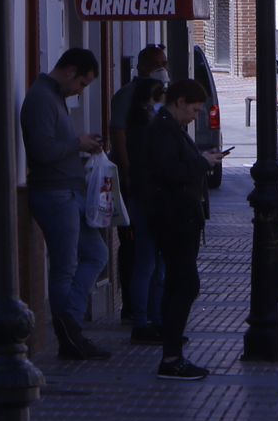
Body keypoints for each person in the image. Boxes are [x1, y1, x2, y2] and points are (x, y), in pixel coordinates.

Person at [20, 48, 111, 361]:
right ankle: (68, 334)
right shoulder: (41, 99)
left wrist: (83, 147)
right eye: (82, 84)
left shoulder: (54, 98)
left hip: (69, 192)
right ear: (70, 71)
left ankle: (69, 322)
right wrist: (78, 143)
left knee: (97, 253)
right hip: (55, 194)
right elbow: (43, 151)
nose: (80, 91)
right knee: (64, 267)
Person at [141, 78, 225, 381]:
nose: (197, 114)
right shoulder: (164, 130)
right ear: (178, 102)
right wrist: (202, 163)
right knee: (186, 284)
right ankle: (172, 356)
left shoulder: (170, 128)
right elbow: (170, 172)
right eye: (194, 108)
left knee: (179, 283)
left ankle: (172, 351)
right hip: (174, 218)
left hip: (179, 217)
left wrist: (203, 160)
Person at [110, 44, 170, 323]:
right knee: (136, 250)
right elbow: (119, 134)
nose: (163, 68)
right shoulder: (128, 96)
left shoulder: (162, 98)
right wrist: (127, 170)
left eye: (165, 63)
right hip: (136, 185)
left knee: (153, 258)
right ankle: (136, 311)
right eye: (157, 63)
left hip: (155, 185)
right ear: (143, 66)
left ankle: (150, 313)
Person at [122, 76, 167, 345]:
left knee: (156, 266)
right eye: (155, 100)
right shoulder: (142, 131)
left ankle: (155, 319)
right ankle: (142, 321)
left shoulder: (148, 128)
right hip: (146, 202)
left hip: (152, 201)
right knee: (147, 264)